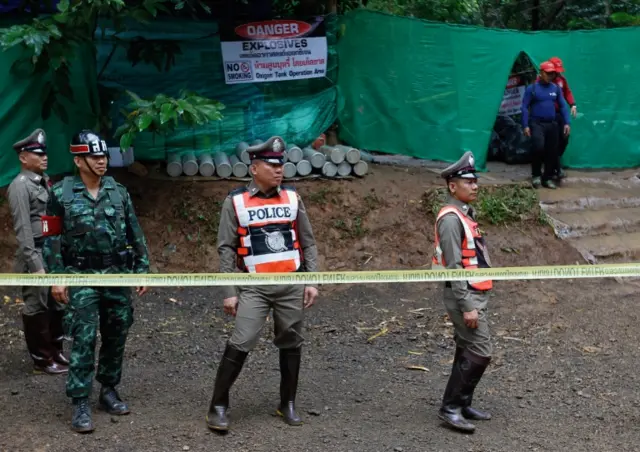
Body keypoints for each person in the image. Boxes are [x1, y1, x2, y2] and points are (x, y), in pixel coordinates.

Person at [205, 136, 319, 432]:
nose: (278, 169)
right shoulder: (236, 201)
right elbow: (226, 248)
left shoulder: (293, 197)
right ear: (254, 168)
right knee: (241, 341)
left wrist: (312, 280)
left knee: (291, 342)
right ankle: (218, 405)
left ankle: (287, 403)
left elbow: (307, 241)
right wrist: (229, 292)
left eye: (281, 164)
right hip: (253, 286)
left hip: (291, 284)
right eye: (271, 165)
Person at [42, 129, 150, 433]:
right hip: (80, 275)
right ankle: (79, 401)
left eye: (104, 155)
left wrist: (142, 268)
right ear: (79, 160)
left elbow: (135, 232)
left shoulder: (118, 192)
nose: (102, 161)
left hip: (116, 274)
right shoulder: (60, 193)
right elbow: (50, 239)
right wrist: (57, 278)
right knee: (84, 337)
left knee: (117, 332)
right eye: (94, 156)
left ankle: (108, 390)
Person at [431, 151, 493, 434]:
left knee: (466, 347)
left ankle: (463, 402)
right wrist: (467, 305)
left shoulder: (464, 215)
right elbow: (454, 267)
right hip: (463, 296)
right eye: (467, 181)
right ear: (452, 186)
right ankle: (450, 408)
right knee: (481, 350)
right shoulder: (451, 219)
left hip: (474, 293)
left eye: (475, 180)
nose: (475, 185)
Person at [7, 129, 69, 375]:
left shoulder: (45, 182)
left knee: (57, 304)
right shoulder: (20, 186)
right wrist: (38, 268)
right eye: (38, 153)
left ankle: (56, 350)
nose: (44, 157)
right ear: (23, 157)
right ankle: (42, 359)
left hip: (51, 252)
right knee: (37, 305)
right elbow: (24, 232)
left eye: (45, 153)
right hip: (35, 255)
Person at [522, 61, 571, 189]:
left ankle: (547, 178)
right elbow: (524, 107)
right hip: (537, 123)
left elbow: (562, 106)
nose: (550, 76)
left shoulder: (555, 88)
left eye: (552, 74)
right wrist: (525, 125)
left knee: (552, 151)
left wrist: (567, 122)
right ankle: (536, 175)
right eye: (548, 73)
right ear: (541, 73)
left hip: (552, 124)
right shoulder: (532, 89)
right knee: (538, 147)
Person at [549, 56, 577, 179]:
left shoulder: (561, 80)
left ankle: (554, 160)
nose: (558, 72)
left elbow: (567, 92)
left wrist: (572, 104)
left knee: (564, 138)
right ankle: (557, 168)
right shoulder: (542, 81)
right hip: (548, 116)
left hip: (559, 114)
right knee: (553, 142)